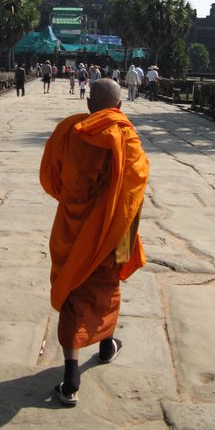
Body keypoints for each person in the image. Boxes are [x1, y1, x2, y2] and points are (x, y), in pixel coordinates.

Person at [40, 79, 150, 406]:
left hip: (73, 228)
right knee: (107, 286)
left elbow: (52, 177)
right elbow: (135, 191)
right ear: (120, 107)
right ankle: (105, 346)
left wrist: (76, 202)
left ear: (89, 104)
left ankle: (71, 379)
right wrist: (122, 236)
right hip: (115, 230)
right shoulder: (126, 136)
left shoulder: (69, 132)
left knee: (75, 290)